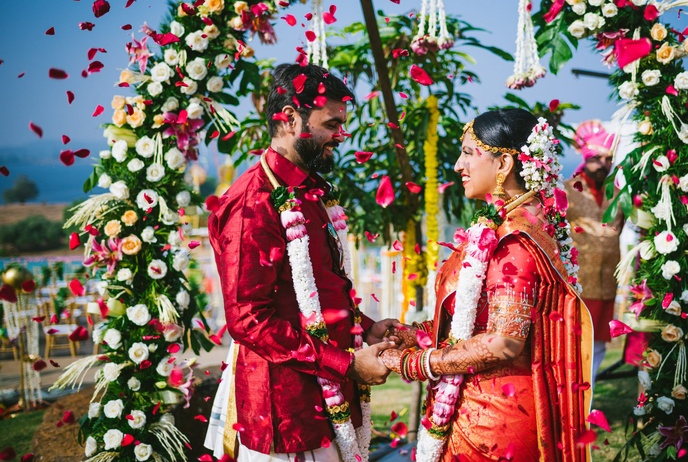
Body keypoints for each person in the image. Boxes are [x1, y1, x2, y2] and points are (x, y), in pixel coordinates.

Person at [204, 63, 400, 461]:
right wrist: (344, 364)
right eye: (331, 124)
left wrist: (368, 328)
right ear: (291, 119)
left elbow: (318, 290)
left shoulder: (310, 192)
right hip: (286, 407)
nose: (341, 136)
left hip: (326, 396)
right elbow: (249, 320)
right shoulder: (252, 202)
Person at [380, 109, 593, 461]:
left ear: (504, 163)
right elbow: (478, 320)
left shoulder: (514, 240)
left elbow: (504, 342)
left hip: (494, 422)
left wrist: (414, 363)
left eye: (468, 153)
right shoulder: (504, 225)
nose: (457, 165)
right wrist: (413, 334)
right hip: (485, 405)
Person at [565, 120, 623, 383]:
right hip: (577, 285)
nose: (603, 163)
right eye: (597, 158)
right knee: (573, 344)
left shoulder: (619, 194)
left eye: (608, 158)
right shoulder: (566, 191)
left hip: (607, 282)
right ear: (586, 157)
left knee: (598, 345)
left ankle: (588, 399)